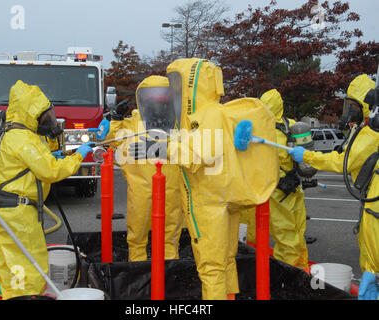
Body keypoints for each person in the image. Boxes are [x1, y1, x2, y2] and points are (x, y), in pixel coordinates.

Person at [131, 58, 279, 300]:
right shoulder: (215, 112)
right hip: (224, 197)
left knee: (211, 267)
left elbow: (200, 153)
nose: (173, 90)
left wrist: (159, 149)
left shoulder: (205, 115)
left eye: (177, 83)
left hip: (208, 201)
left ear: (192, 84)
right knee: (226, 260)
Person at [0, 80, 93, 299]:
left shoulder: (15, 134)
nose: (48, 121)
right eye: (43, 116)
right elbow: (51, 171)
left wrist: (50, 155)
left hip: (8, 210)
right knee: (28, 267)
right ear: (30, 114)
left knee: (11, 260)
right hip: (19, 214)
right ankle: (21, 296)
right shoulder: (24, 139)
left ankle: (9, 292)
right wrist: (78, 156)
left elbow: (36, 163)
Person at [288, 74, 379, 300]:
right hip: (369, 198)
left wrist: (307, 155)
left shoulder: (371, 135)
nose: (349, 110)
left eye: (353, 105)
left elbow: (343, 163)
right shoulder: (364, 130)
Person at [97, 75, 183, 262]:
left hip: (172, 189)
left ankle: (169, 270)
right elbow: (106, 137)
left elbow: (195, 150)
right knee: (138, 232)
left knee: (170, 233)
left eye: (162, 99)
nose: (157, 104)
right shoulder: (133, 123)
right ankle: (137, 270)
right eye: (153, 99)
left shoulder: (180, 123)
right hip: (140, 190)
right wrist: (116, 118)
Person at [241, 89, 309, 270]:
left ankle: (290, 275)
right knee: (297, 232)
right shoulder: (292, 125)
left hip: (276, 191)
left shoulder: (260, 130)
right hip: (294, 187)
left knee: (286, 235)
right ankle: (301, 269)